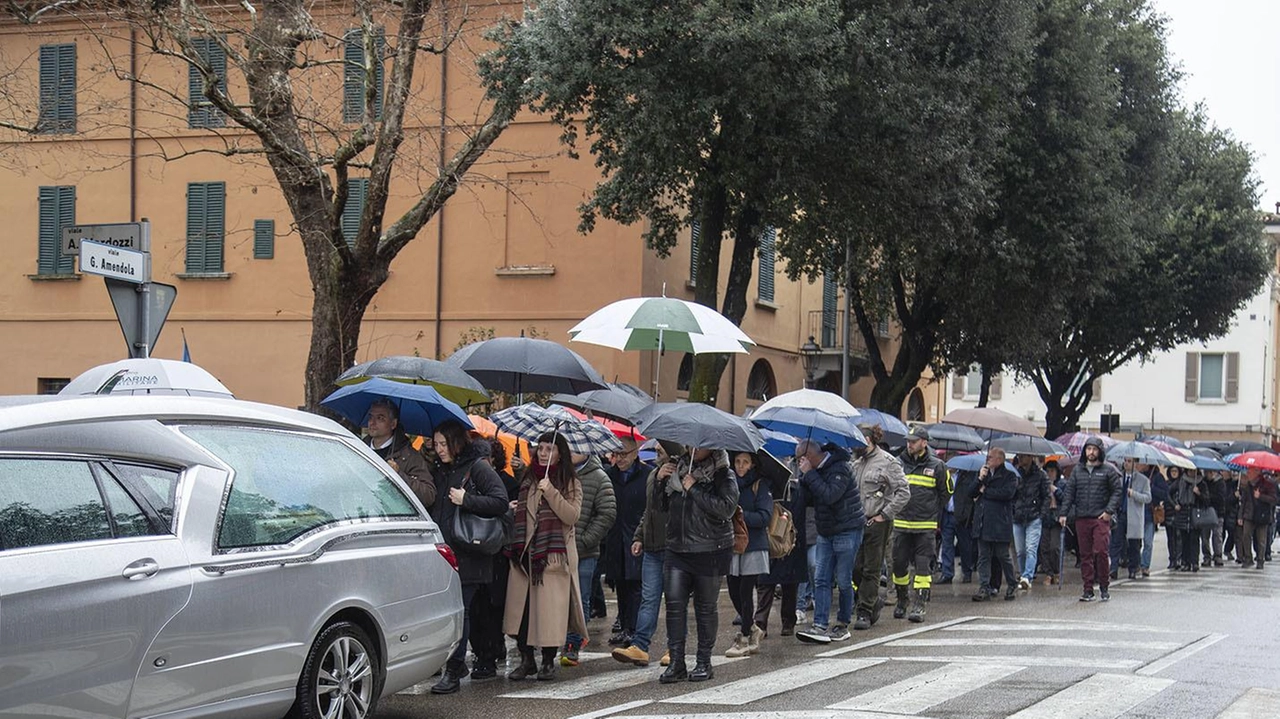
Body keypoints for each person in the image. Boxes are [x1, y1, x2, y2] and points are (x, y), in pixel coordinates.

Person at [427, 421, 511, 693]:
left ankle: (453, 670)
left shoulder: (477, 467)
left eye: (443, 444)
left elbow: (500, 501)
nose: (439, 450)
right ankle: (454, 663)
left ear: (456, 443)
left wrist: (467, 500)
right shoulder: (439, 470)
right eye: (436, 444)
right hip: (443, 553)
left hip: (469, 554)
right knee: (450, 613)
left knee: (460, 613)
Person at [504, 432, 585, 681]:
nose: (543, 452)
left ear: (560, 453)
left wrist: (551, 491)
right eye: (540, 447)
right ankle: (527, 659)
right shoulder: (529, 479)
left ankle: (548, 661)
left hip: (551, 558)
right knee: (523, 613)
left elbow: (571, 516)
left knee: (549, 616)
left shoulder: (570, 481)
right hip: (525, 556)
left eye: (550, 449)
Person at [659, 446, 739, 684]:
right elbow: (660, 507)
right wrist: (658, 480)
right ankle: (676, 662)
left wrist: (693, 488)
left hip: (710, 549)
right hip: (677, 548)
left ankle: (704, 661)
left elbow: (727, 508)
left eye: (700, 444)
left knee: (705, 608)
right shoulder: (678, 468)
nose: (694, 448)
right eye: (690, 443)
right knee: (674, 606)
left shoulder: (723, 473)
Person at [797, 436, 874, 642]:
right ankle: (820, 624)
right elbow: (808, 500)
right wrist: (804, 480)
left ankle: (842, 623)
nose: (799, 463)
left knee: (843, 579)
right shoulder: (814, 471)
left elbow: (831, 495)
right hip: (826, 530)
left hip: (847, 529)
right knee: (821, 578)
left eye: (800, 459)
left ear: (810, 456)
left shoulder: (840, 467)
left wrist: (810, 474)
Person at [612, 441, 678, 666]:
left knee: (673, 600)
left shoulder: (682, 476)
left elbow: (675, 507)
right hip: (652, 546)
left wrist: (669, 481)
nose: (657, 452)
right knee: (648, 599)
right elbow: (649, 510)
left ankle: (674, 647)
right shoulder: (653, 475)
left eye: (662, 450)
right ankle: (640, 646)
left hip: (673, 547)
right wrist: (639, 536)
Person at [846, 425, 909, 633]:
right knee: (855, 567)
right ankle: (873, 602)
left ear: (869, 439)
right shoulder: (855, 463)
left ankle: (864, 610)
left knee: (871, 568)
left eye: (860, 440)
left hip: (877, 520)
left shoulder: (888, 462)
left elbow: (903, 492)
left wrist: (885, 514)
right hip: (857, 521)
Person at [468, 438, 521, 682]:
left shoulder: (507, 483)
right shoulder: (468, 482)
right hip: (475, 549)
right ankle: (485, 651)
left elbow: (506, 511)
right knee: (478, 606)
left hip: (497, 550)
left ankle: (489, 653)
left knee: (492, 605)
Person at [560, 450, 616, 666]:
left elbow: (607, 513)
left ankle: (573, 643)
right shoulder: (559, 474)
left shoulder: (599, 477)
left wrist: (585, 539)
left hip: (584, 551)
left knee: (579, 598)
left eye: (576, 449)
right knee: (558, 598)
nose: (571, 453)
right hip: (558, 548)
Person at [892, 427, 949, 623]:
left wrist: (932, 512)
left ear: (924, 442)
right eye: (908, 441)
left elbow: (945, 493)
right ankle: (902, 600)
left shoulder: (938, 466)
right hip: (900, 524)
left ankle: (919, 605)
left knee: (923, 567)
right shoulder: (898, 464)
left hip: (925, 526)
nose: (910, 444)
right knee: (899, 565)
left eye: (914, 441)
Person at [601, 437, 649, 649]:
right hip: (615, 537)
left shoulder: (646, 475)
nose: (619, 458)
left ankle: (635, 629)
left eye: (624, 454)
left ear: (636, 453)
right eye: (616, 453)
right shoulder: (610, 476)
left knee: (635, 584)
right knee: (620, 582)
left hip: (637, 536)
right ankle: (625, 626)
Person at [1060, 437, 1122, 602]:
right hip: (1082, 517)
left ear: (1100, 451)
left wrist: (1109, 511)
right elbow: (1069, 493)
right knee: (1085, 555)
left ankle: (1104, 585)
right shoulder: (1077, 471)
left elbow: (1117, 491)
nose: (1091, 452)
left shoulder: (1108, 470)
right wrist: (1063, 513)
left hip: (1100, 517)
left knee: (1101, 551)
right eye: (1088, 449)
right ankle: (1088, 589)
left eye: (1094, 449)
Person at [725, 452, 772, 657]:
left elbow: (765, 516)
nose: (740, 466)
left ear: (752, 464)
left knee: (745, 590)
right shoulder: (728, 483)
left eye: (745, 462)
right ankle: (752, 627)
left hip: (753, 544)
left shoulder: (760, 485)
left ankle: (744, 636)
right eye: (737, 462)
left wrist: (742, 515)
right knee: (733, 589)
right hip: (733, 543)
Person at [754, 460, 808, 638]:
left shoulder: (797, 489)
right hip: (774, 538)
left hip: (788, 539)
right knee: (768, 582)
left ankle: (781, 622)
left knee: (785, 584)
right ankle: (764, 623)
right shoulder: (765, 489)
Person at [970, 448, 1019, 602]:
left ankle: (1012, 583)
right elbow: (971, 492)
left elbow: (1006, 494)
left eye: (991, 457)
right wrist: (979, 479)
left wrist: (985, 492)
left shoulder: (1009, 476)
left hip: (999, 523)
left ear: (1000, 460)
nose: (988, 459)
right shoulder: (983, 475)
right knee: (983, 557)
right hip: (983, 522)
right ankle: (984, 586)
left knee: (1003, 556)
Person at [366, 398, 434, 506]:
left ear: (393, 424)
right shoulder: (358, 448)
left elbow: (428, 495)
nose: (372, 422)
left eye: (380, 418)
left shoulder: (409, 456)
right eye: (371, 417)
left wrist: (399, 475)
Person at [1011, 453, 1049, 590]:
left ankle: (1027, 576)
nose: (1021, 459)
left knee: (1031, 548)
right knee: (1020, 550)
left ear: (1031, 457)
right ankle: (1023, 575)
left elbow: (1046, 496)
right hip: (1018, 517)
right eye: (1019, 456)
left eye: (1024, 456)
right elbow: (1012, 495)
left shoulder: (1041, 475)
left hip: (1034, 517)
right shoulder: (1015, 475)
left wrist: (1041, 515)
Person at [1117, 458, 1151, 580]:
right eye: (1125, 460)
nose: (1126, 463)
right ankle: (1113, 569)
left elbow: (1148, 498)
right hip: (1121, 514)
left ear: (1135, 464)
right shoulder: (1119, 479)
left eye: (1129, 461)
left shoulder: (1143, 480)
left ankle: (1133, 569)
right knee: (1117, 542)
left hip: (1134, 516)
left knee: (1134, 545)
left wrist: (1134, 494)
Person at [1238, 467, 1277, 570]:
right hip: (1249, 514)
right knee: (1246, 535)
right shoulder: (1248, 485)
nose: (1248, 473)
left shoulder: (1267, 484)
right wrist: (1240, 515)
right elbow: (1244, 501)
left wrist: (1260, 496)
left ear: (1257, 472)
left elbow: (1273, 500)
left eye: (1250, 471)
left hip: (1262, 515)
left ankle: (1260, 560)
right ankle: (1248, 558)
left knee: (1261, 540)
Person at [1171, 468, 1208, 572]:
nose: (1192, 473)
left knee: (1194, 539)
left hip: (1195, 513)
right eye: (1190, 471)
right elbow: (1169, 492)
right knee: (1184, 539)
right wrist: (1175, 504)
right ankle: (1185, 562)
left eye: (1194, 471)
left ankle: (1194, 562)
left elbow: (1207, 500)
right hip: (1183, 513)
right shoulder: (1181, 481)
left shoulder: (1201, 483)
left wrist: (1199, 493)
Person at [1037, 460, 1065, 585]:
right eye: (1047, 471)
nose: (1050, 474)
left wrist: (1055, 490)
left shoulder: (1062, 484)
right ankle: (1048, 572)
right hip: (1045, 517)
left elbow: (1066, 498)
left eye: (1052, 471)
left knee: (1055, 547)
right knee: (1043, 547)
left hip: (1057, 517)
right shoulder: (1042, 484)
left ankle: (1056, 571)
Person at [951, 468, 980, 584]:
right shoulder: (955, 475)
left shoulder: (972, 474)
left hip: (967, 514)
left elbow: (970, 493)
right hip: (956, 513)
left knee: (969, 544)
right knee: (962, 545)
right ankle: (965, 571)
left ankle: (969, 569)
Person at [1142, 464, 1169, 577]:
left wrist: (1151, 488)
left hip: (1150, 513)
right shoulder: (1136, 476)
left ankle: (1145, 565)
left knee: (1148, 542)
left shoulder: (1157, 477)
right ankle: (1135, 563)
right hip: (1136, 514)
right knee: (1134, 542)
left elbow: (1164, 494)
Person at [1201, 471, 1227, 567]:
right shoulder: (1203, 482)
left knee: (1217, 535)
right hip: (1205, 512)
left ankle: (1218, 555)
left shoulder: (1220, 482)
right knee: (1204, 536)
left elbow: (1220, 498)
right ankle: (1206, 556)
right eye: (1208, 472)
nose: (1210, 474)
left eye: (1212, 472)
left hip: (1218, 512)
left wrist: (1207, 496)